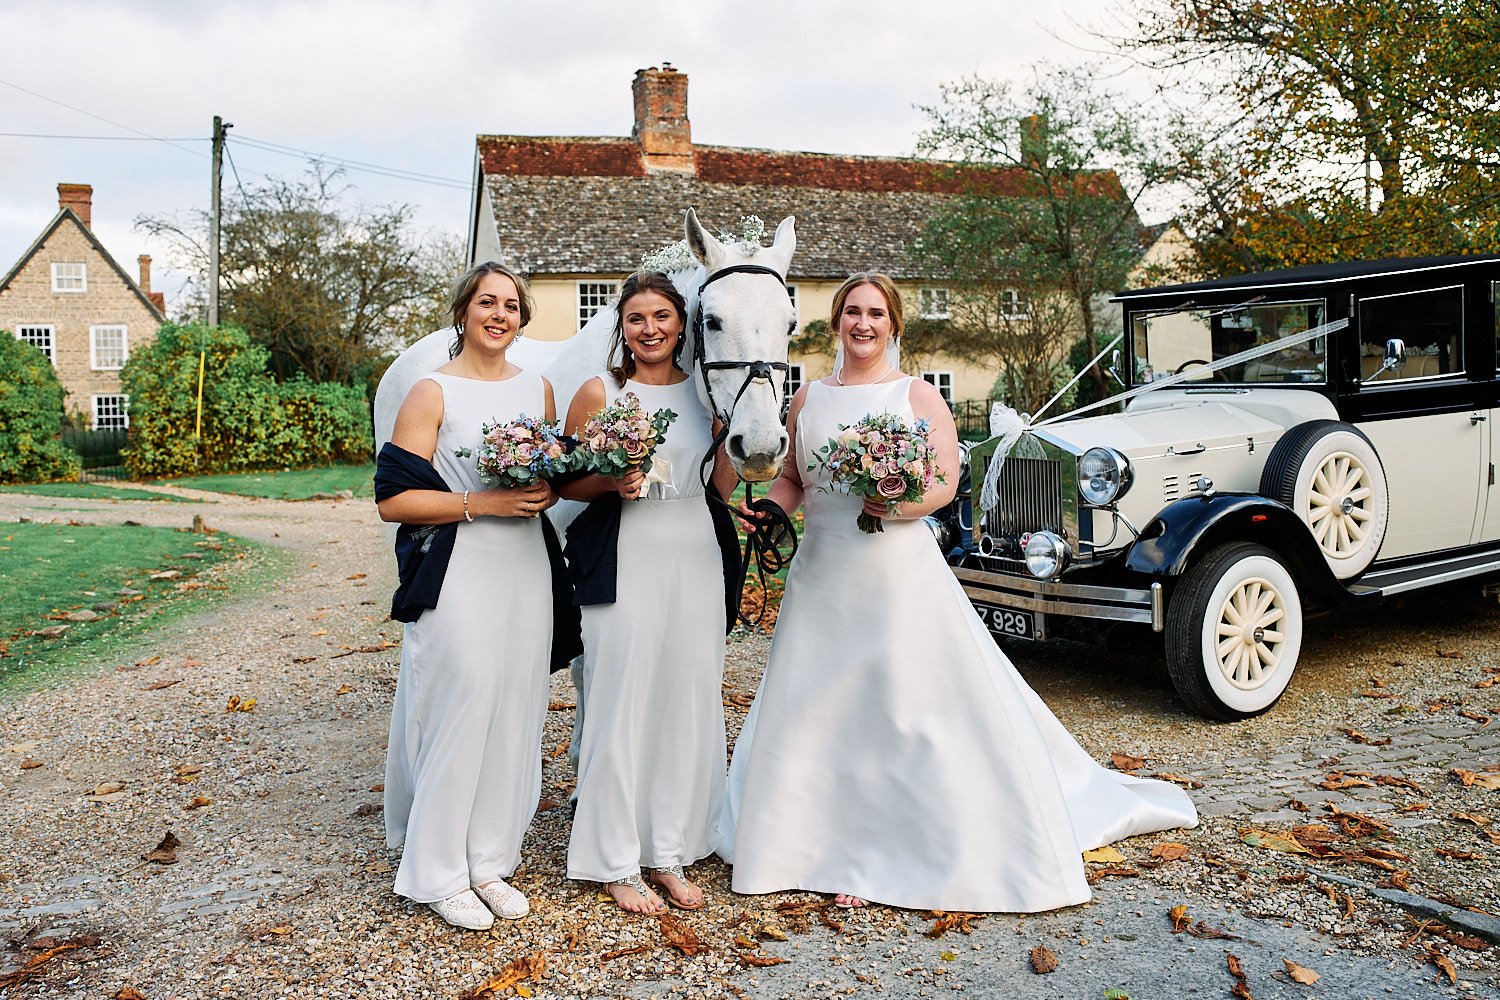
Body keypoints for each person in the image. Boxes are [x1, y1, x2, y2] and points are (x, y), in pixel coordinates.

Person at [718, 273, 1198, 911]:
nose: (863, 324)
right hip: (822, 575)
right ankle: (805, 839)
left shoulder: (917, 397)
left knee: (906, 705)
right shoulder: (805, 401)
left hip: (894, 571)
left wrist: (893, 503)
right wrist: (774, 512)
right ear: (836, 320)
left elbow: (943, 484)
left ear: (893, 326)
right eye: (853, 312)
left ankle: (904, 838)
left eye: (876, 314)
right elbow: (796, 483)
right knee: (813, 704)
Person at [375, 262, 560, 931]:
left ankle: (488, 860)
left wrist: (555, 485)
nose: (500, 314)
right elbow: (394, 500)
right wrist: (483, 501)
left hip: (526, 571)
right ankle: (437, 871)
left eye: (511, 305)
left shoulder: (538, 391)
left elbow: (547, 480)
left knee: (515, 709)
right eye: (487, 302)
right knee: (463, 706)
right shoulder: (431, 393)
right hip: (457, 570)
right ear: (464, 312)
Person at [560, 271, 739, 914]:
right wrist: (611, 483)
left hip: (693, 551)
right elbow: (566, 484)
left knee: (684, 698)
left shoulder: (705, 396)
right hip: (625, 553)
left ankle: (666, 849)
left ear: (682, 325)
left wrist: (733, 439)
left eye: (662, 316)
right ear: (622, 328)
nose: (651, 328)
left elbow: (718, 486)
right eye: (636, 318)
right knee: (621, 697)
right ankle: (613, 858)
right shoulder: (599, 392)